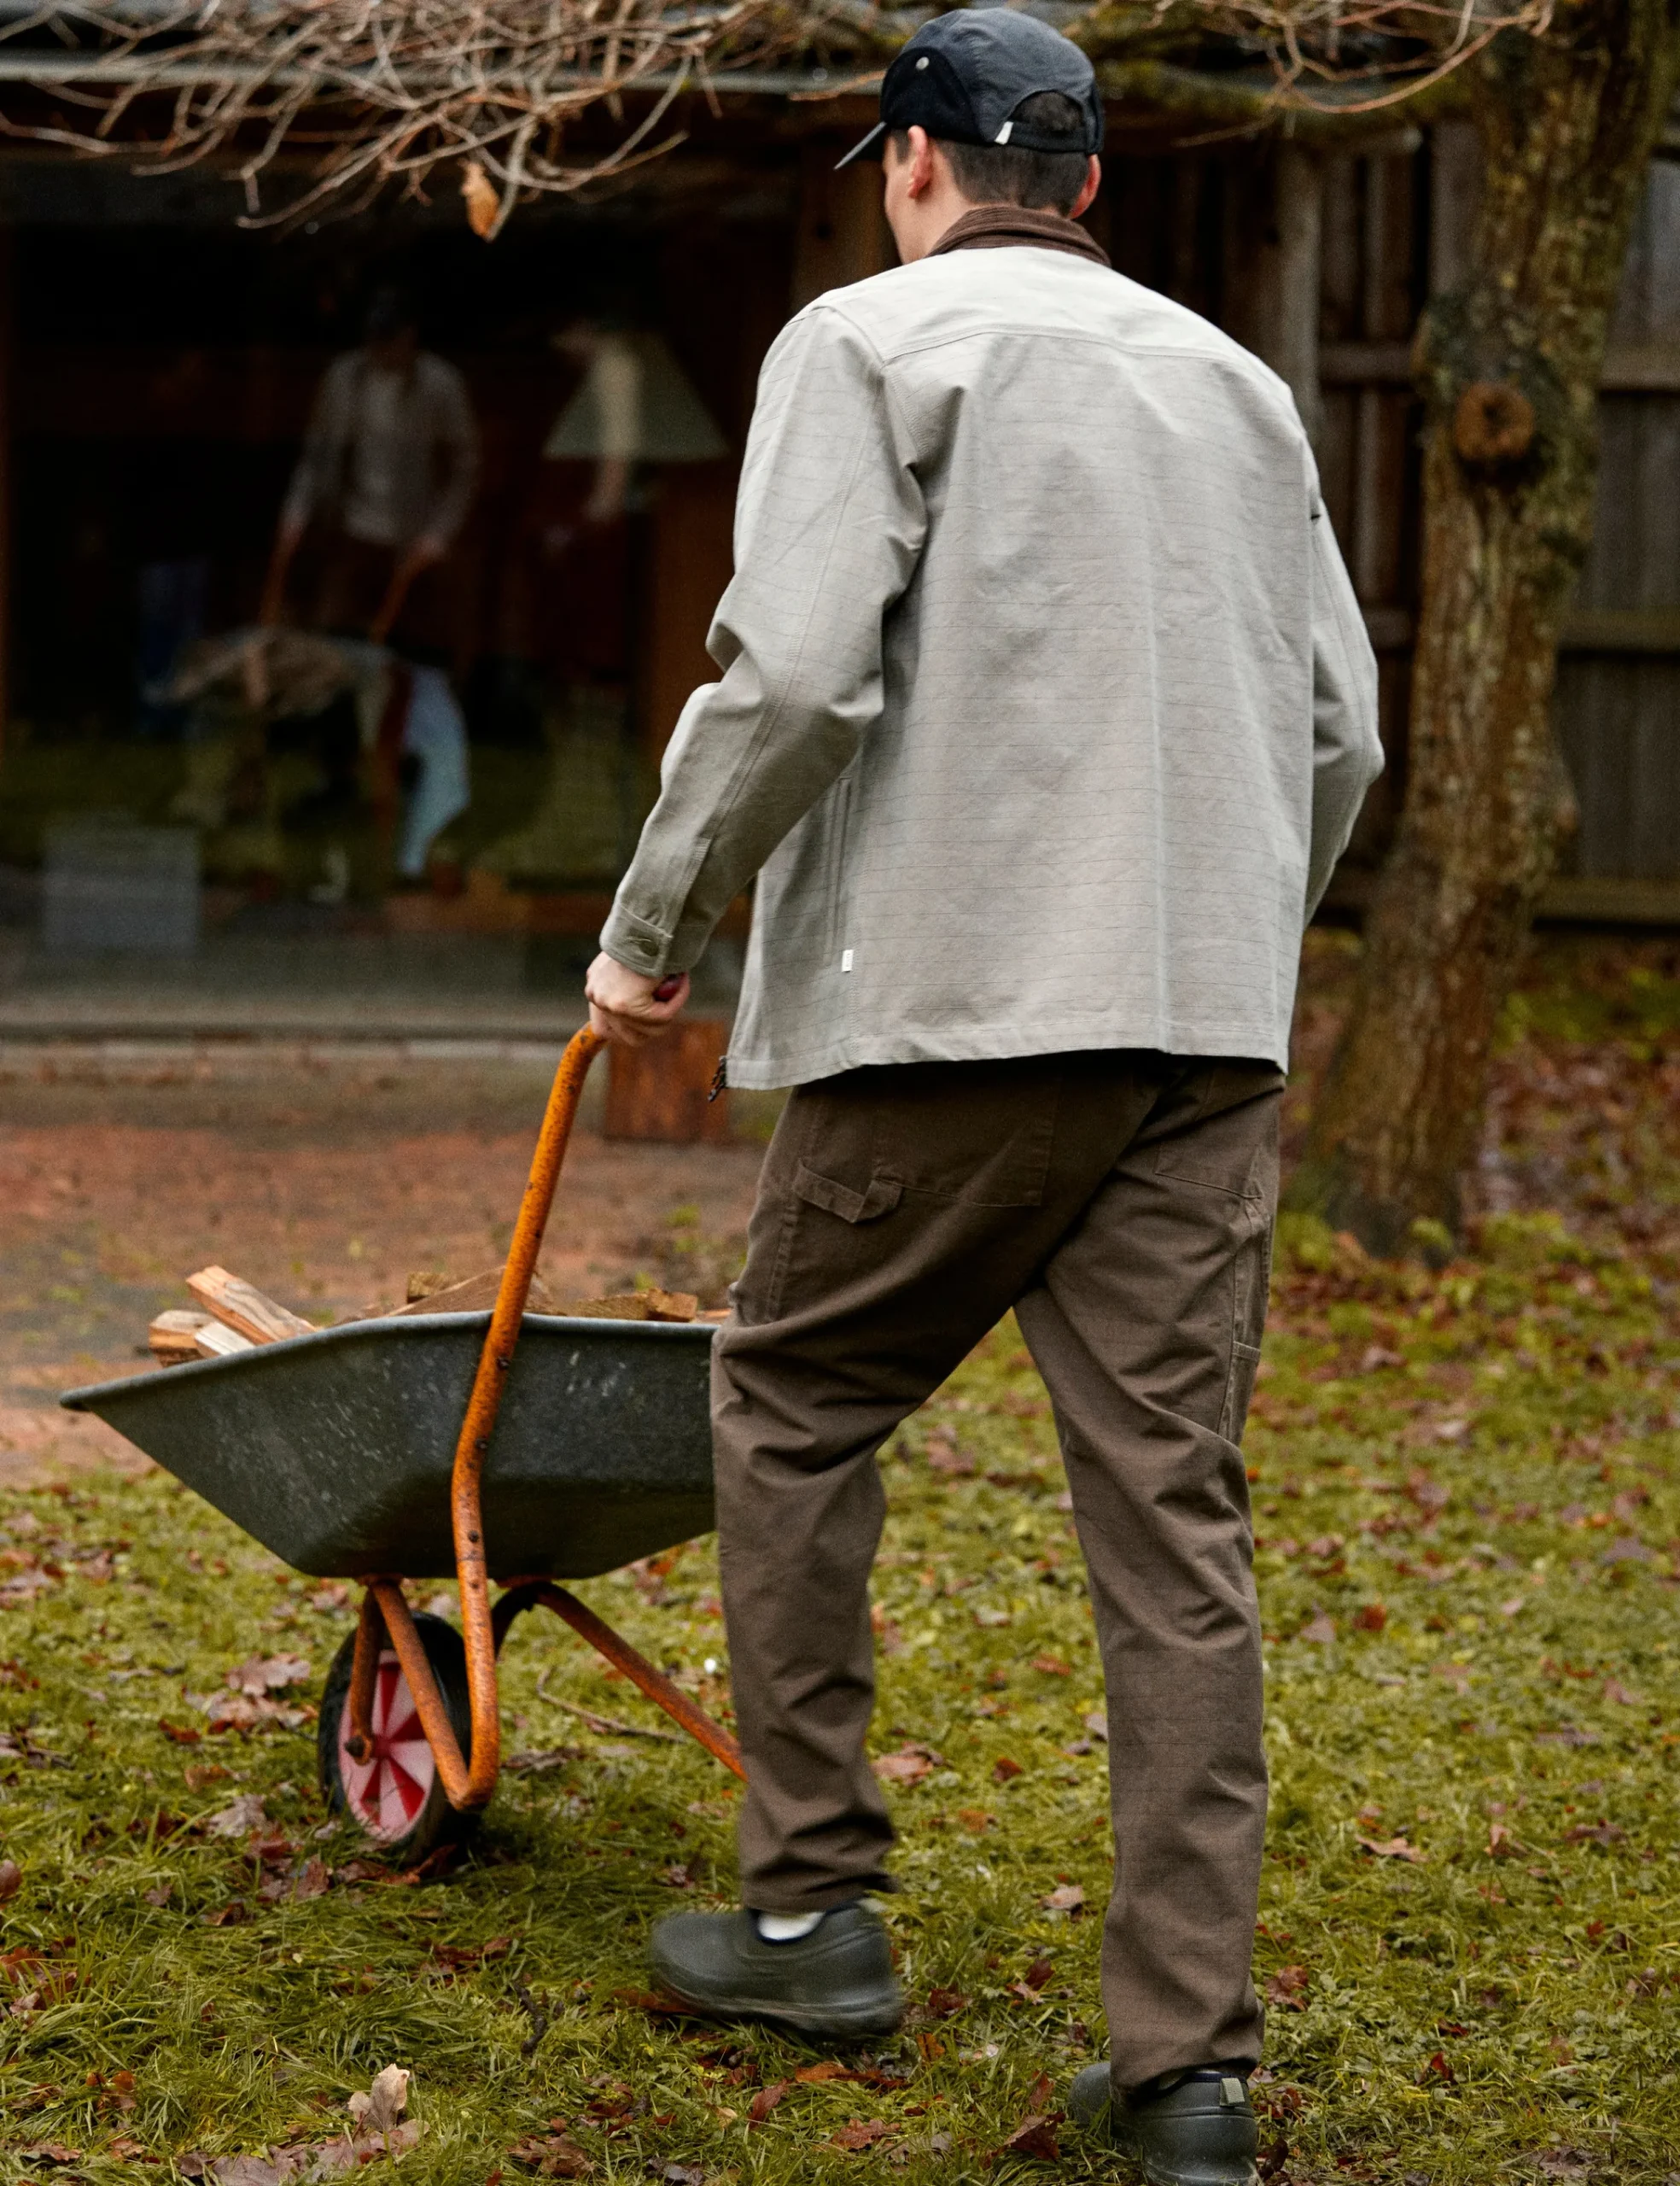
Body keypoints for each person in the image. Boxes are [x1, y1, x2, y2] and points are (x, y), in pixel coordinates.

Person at [584, 14, 1382, 2183]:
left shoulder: (865, 344)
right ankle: (1188, 2074)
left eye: (892, 161)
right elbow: (1339, 733)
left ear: (916, 162)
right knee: (1173, 1521)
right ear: (1094, 184)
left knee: (795, 1396)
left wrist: (659, 914)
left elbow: (802, 671)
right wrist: (1217, 935)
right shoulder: (1238, 387)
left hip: (955, 1012)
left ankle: (812, 1906)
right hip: (1202, 1034)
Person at [260, 286, 478, 882]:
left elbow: (465, 465)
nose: (384, 355)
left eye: (393, 344)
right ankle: (337, 778)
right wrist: (297, 515)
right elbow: (317, 456)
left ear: (410, 339)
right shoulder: (344, 380)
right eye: (375, 344)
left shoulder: (438, 385)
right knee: (335, 661)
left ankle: (413, 797)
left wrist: (439, 534)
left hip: (410, 547)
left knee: (405, 669)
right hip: (350, 536)